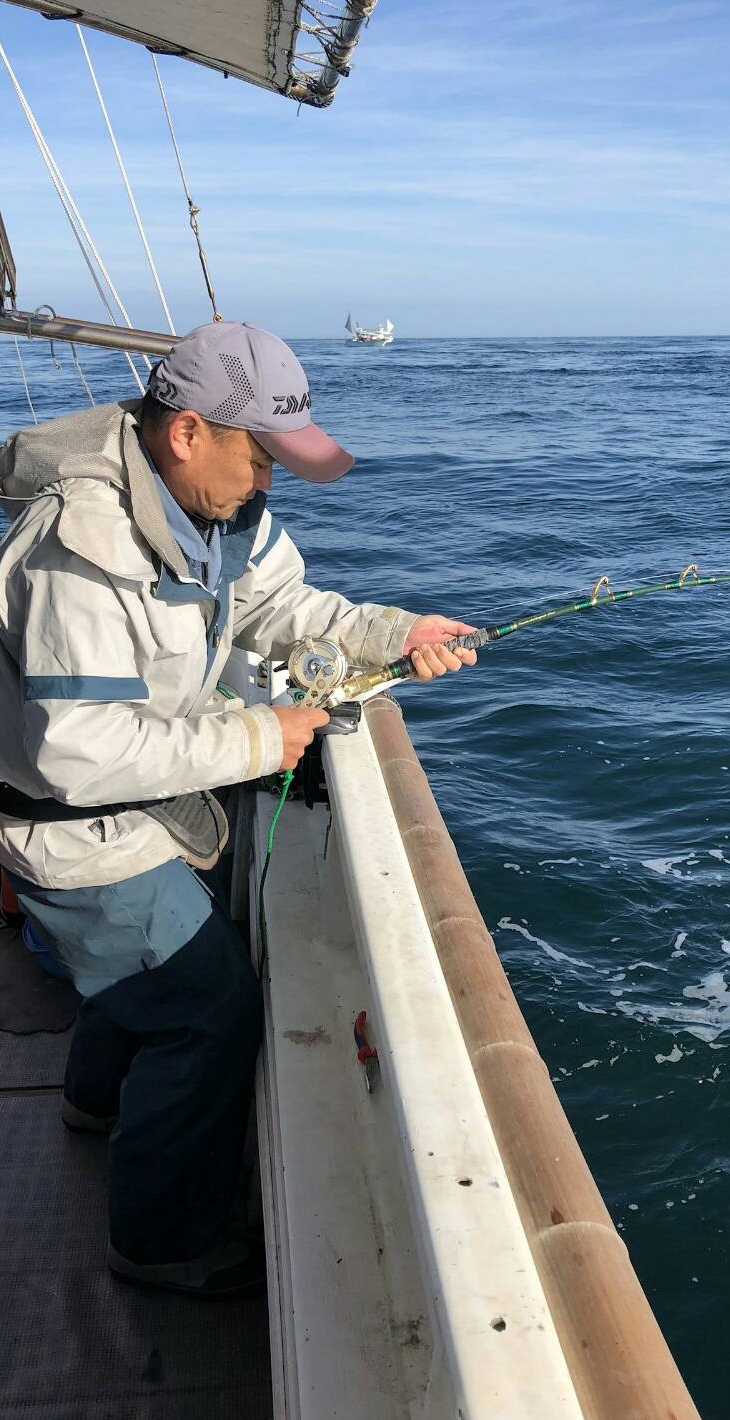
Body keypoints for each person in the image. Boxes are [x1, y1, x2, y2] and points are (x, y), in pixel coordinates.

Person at [0, 320, 475, 1298]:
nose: (268, 484)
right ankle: (160, 1244)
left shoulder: (214, 508)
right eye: (259, 457)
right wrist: (264, 739)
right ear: (187, 435)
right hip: (73, 829)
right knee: (206, 1008)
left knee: (147, 976)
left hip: (154, 805)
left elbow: (288, 613)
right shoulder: (77, 547)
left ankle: (93, 1102)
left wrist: (402, 631)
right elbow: (74, 754)